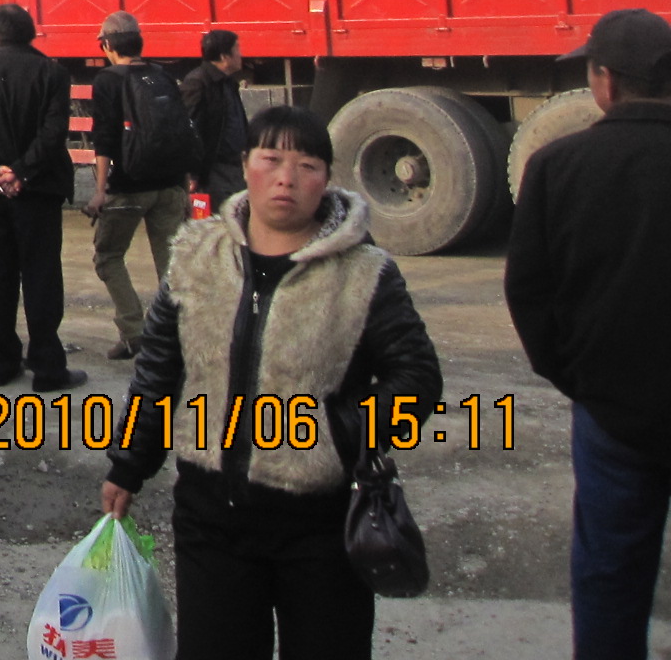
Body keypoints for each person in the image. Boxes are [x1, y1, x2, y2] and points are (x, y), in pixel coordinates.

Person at [101, 105, 442, 660]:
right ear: (245, 165)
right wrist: (128, 464)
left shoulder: (364, 272)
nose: (287, 178)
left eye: (306, 165)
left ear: (326, 178)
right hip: (211, 518)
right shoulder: (195, 256)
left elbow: (417, 376)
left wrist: (338, 434)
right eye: (271, 159)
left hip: (322, 523)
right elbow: (158, 371)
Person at [505, 7, 671, 660]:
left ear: (605, 80)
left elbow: (529, 291)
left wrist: (576, 376)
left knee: (610, 575)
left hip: (609, 413)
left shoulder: (558, 165)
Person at [0, 1, 85, 391]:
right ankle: (47, 366)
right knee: (42, 277)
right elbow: (54, 132)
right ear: (31, 34)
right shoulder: (52, 73)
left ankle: (1, 364)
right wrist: (21, 171)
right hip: (39, 190)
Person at [85, 10, 192, 360]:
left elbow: (104, 139)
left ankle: (134, 333)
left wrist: (100, 191)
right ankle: (175, 335)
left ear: (106, 45)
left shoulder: (107, 80)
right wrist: (185, 186)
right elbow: (180, 132)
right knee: (170, 262)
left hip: (128, 186)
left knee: (109, 256)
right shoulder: (162, 75)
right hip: (170, 186)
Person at [182, 29, 249, 206]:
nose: (241, 54)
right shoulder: (198, 83)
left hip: (235, 168)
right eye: (237, 49)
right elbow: (189, 129)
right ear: (224, 56)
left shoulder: (228, 82)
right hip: (214, 170)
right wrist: (192, 172)